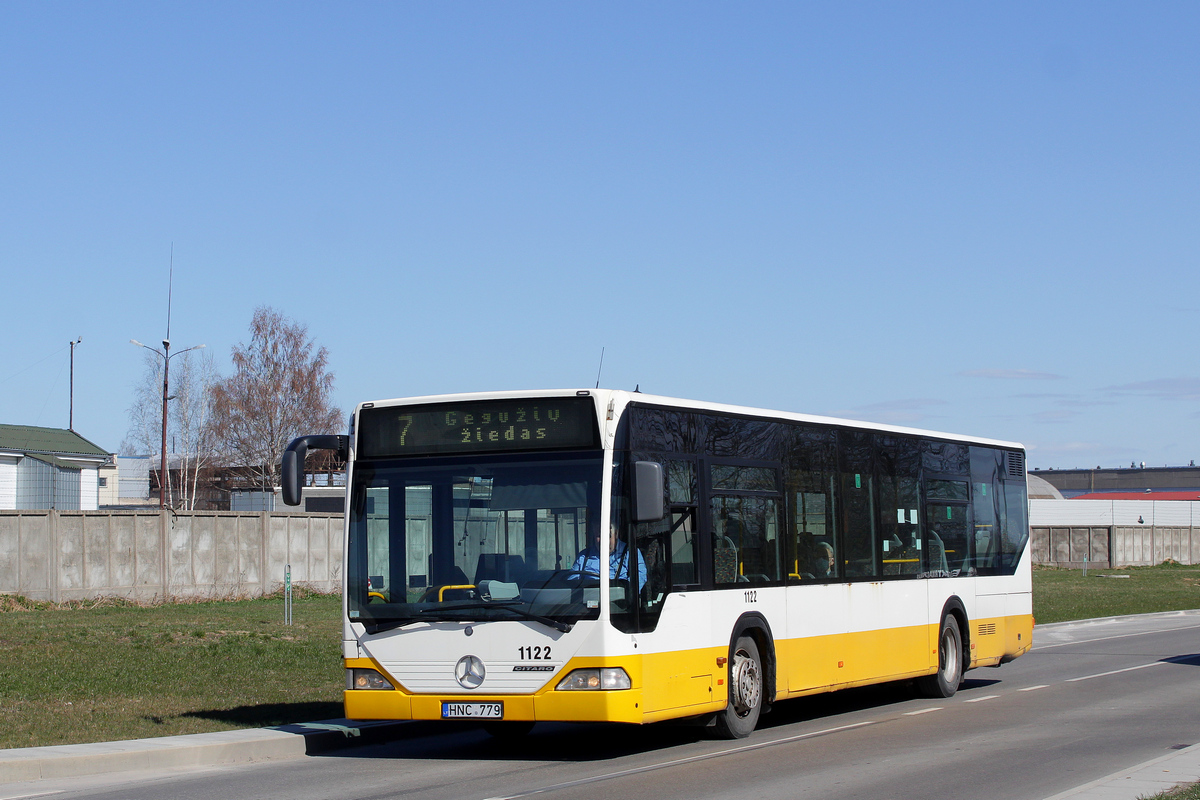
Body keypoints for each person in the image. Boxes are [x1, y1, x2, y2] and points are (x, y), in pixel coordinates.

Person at [571, 524, 647, 590]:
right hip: (587, 600)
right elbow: (572, 582)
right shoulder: (583, 556)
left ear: (616, 534)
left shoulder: (630, 553)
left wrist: (625, 592)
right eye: (599, 536)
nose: (603, 540)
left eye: (608, 535)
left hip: (619, 603)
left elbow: (639, 579)